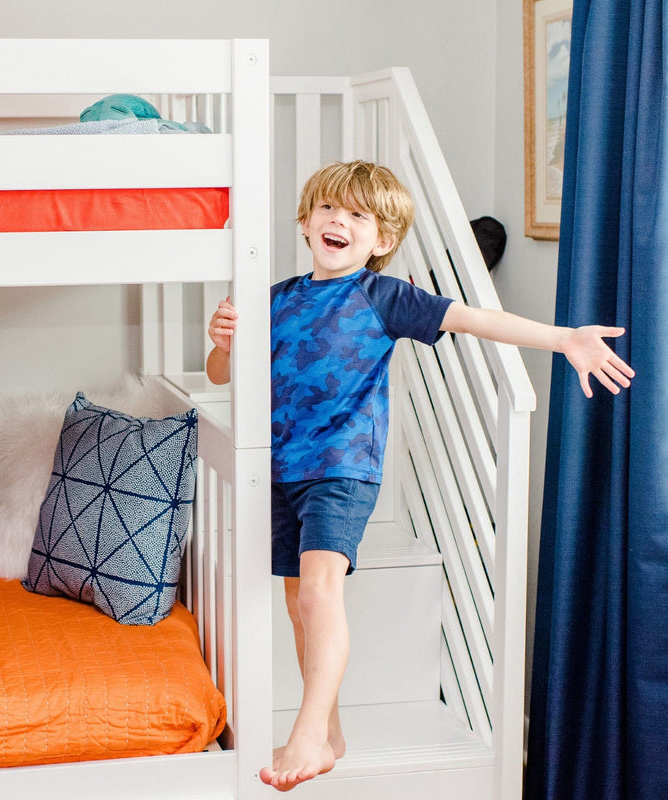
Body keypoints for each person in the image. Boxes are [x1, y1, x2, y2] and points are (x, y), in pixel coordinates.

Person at [205, 160, 634, 792]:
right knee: (299, 604)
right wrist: (222, 343)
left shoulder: (384, 296)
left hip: (342, 469)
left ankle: (307, 730)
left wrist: (563, 337)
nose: (339, 221)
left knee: (320, 591)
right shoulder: (276, 298)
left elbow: (475, 319)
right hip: (281, 469)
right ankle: (331, 732)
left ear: (381, 240)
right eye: (328, 208)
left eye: (358, 215)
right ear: (305, 220)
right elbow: (221, 375)